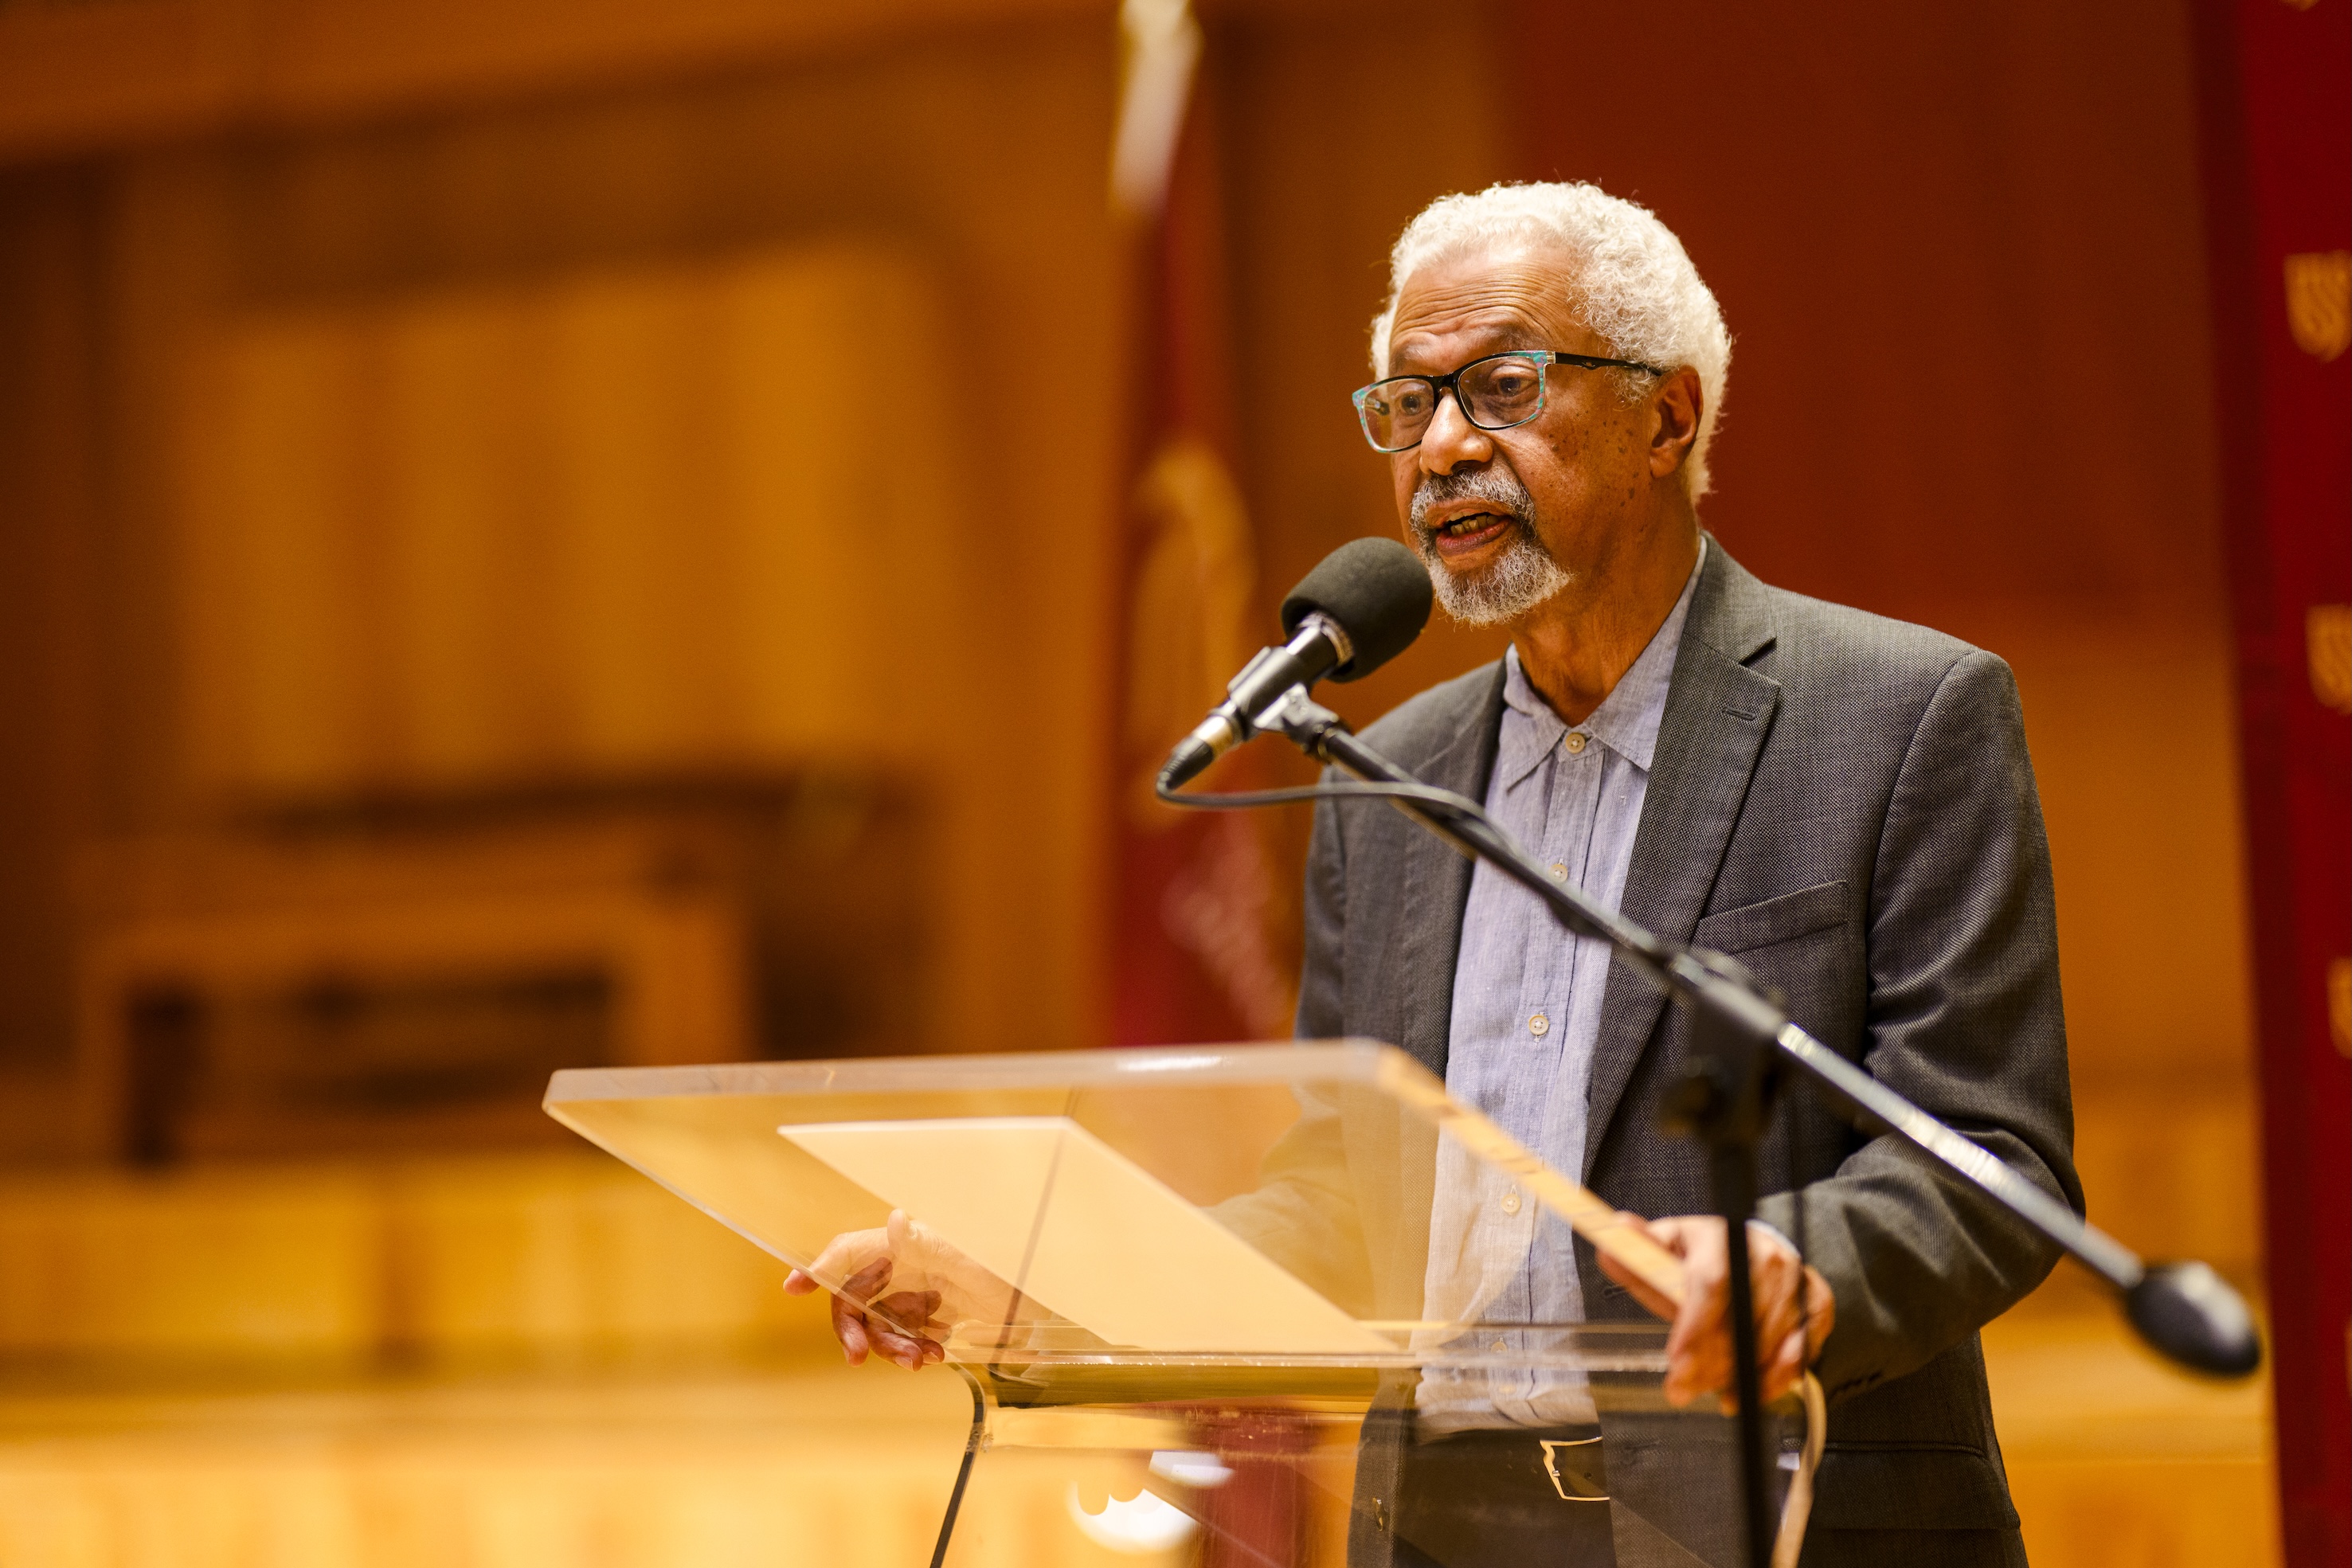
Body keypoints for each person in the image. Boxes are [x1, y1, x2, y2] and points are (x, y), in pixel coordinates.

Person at [794, 180, 2079, 1568]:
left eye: (1502, 387)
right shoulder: (1385, 774)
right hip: (1448, 1530)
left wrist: (1800, 1267)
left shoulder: (1899, 717)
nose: (1443, 446)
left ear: (1667, 417)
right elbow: (1346, 1195)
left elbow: (1992, 1159)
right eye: (1407, 405)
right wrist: (1041, 1281)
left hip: (1788, 1515)